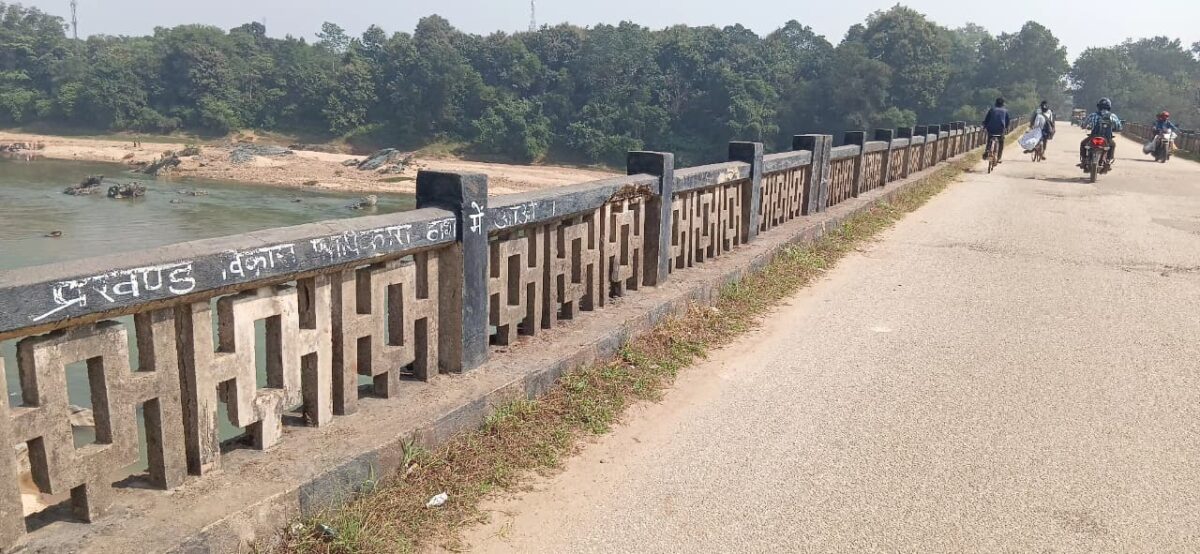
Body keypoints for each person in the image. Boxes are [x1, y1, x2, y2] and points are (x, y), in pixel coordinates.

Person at [1079, 97, 1122, 166]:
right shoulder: (1112, 116)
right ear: (1109, 106)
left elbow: (1084, 124)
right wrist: (1116, 128)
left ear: (1098, 106)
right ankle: (1108, 160)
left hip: (1093, 136)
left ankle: (1084, 160)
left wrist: (1083, 126)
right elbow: (1119, 127)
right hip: (1107, 138)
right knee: (1112, 145)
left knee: (1083, 143)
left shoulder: (1093, 115)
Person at [982, 97, 1012, 163]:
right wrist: (1006, 128)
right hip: (1000, 130)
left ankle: (987, 151)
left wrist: (984, 126)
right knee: (1001, 142)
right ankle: (999, 158)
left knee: (989, 140)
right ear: (1003, 104)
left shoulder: (992, 110)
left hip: (991, 129)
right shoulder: (1005, 111)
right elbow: (1007, 122)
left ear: (995, 103)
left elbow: (986, 120)